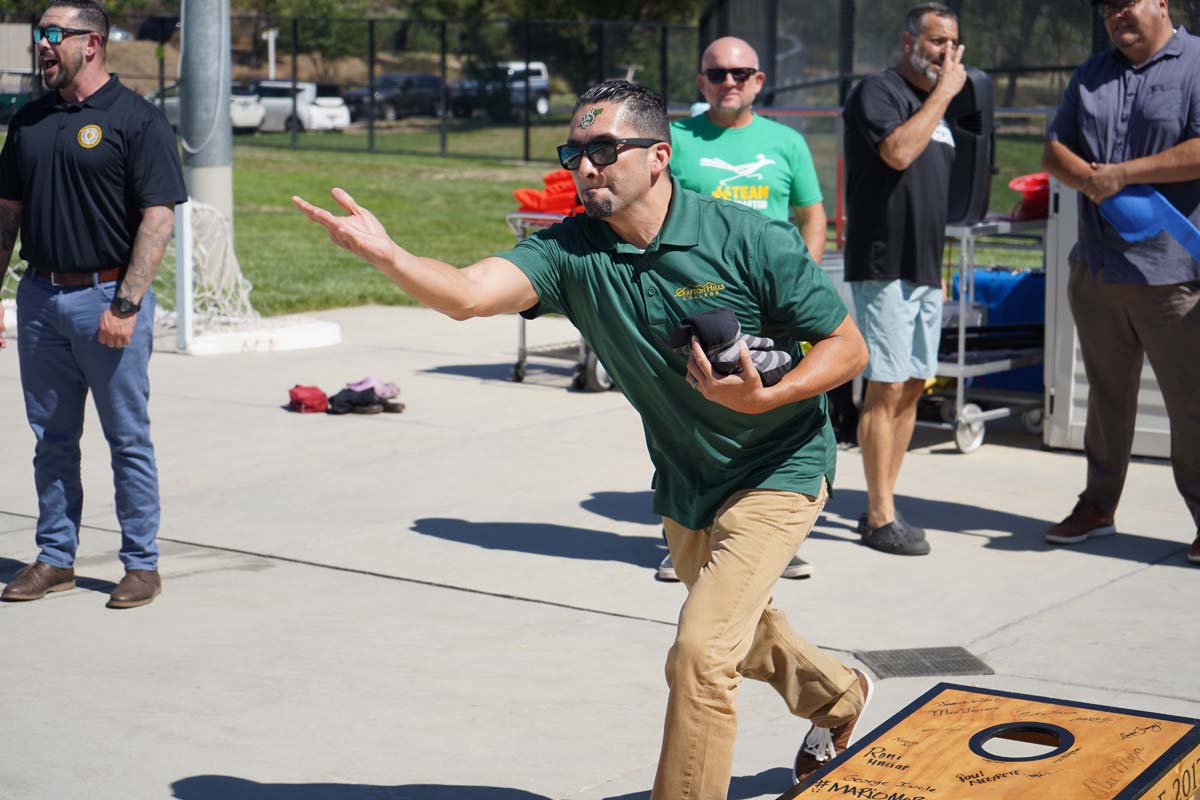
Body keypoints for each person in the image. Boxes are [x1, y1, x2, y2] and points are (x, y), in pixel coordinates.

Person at [294, 80, 873, 798]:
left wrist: (769, 395)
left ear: (658, 157)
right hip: (689, 479)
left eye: (604, 149)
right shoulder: (570, 252)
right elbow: (469, 294)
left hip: (779, 464)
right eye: (575, 153)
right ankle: (839, 697)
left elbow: (848, 348)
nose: (585, 166)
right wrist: (390, 255)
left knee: (701, 653)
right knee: (738, 630)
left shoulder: (747, 238)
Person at [0, 0, 186, 608]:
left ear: (92, 43)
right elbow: (7, 216)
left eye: (55, 33)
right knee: (51, 439)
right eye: (40, 33)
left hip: (108, 299)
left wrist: (126, 305)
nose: (43, 44)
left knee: (126, 439)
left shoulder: (138, 120)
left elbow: (158, 219)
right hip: (39, 298)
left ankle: (141, 564)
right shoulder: (29, 121)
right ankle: (56, 558)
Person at [654, 36, 828, 583]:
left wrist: (803, 281)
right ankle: (690, 531)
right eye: (717, 74)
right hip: (699, 306)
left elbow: (812, 215)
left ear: (758, 81)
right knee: (694, 422)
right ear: (701, 82)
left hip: (772, 308)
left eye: (740, 73)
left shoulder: (786, 142)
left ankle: (767, 537)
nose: (729, 82)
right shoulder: (676, 141)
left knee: (772, 419)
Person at [1042, 0, 1200, 564]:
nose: (1114, 15)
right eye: (1106, 7)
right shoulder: (1091, 73)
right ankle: (1098, 504)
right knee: (1107, 399)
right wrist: (1090, 178)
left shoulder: (1196, 64)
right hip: (1097, 271)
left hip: (1173, 277)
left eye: (1125, 2)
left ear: (1160, 3)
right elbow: (1053, 148)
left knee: (1191, 405)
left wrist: (1123, 175)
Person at [842, 2, 966, 557]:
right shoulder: (878, 91)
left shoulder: (941, 106)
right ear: (909, 41)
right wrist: (943, 95)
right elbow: (896, 153)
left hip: (925, 267)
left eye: (953, 44)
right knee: (885, 385)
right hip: (883, 264)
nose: (946, 53)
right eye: (937, 41)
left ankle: (886, 500)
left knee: (915, 383)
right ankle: (878, 516)